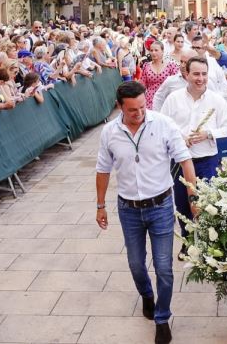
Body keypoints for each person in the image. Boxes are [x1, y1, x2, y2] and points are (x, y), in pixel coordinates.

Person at [95, 81, 196, 344]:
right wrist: (100, 205)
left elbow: (185, 159)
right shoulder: (109, 132)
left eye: (142, 106)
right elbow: (103, 169)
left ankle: (162, 318)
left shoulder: (163, 124)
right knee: (136, 265)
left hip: (161, 205)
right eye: (132, 110)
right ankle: (147, 295)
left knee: (164, 267)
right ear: (120, 107)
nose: (139, 113)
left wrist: (193, 196)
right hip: (129, 209)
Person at [160, 56, 227, 256]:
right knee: (183, 203)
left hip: (208, 160)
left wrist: (208, 134)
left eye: (204, 74)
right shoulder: (173, 99)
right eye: (196, 74)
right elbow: (163, 127)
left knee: (209, 204)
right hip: (181, 162)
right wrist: (180, 138)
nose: (200, 78)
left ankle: (209, 243)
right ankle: (188, 241)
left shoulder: (217, 100)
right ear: (186, 74)